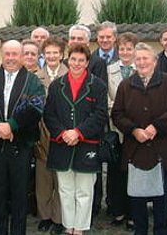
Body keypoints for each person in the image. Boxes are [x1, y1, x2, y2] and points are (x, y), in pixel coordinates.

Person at [111, 42, 167, 235]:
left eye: (145, 58)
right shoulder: (126, 85)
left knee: (162, 197)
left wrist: (156, 127)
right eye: (138, 59)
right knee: (137, 199)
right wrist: (134, 130)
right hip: (136, 150)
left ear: (155, 61)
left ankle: (161, 231)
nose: (142, 62)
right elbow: (117, 114)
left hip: (163, 150)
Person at [0, 40, 45, 235]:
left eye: (15, 54)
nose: (11, 58)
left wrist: (12, 125)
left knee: (19, 197)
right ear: (2, 55)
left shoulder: (33, 82)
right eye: (7, 54)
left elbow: (36, 108)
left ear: (23, 56)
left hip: (20, 147)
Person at [44, 43, 108, 235]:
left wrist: (78, 133)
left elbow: (100, 115)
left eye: (81, 60)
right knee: (65, 190)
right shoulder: (56, 85)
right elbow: (49, 114)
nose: (77, 63)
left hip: (86, 144)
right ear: (68, 60)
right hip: (62, 144)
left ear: (87, 62)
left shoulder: (97, 85)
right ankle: (68, 226)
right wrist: (64, 133)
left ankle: (79, 229)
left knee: (84, 191)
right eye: (73, 59)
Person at [34, 37, 68, 235]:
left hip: (62, 131)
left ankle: (59, 218)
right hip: (41, 130)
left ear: (62, 55)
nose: (52, 56)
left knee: (60, 177)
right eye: (48, 53)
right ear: (43, 55)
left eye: (56, 52)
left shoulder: (69, 74)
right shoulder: (36, 76)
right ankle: (45, 215)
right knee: (43, 176)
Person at [105, 32, 138, 230]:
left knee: (133, 173)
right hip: (115, 127)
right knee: (116, 172)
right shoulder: (109, 70)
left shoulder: (141, 69)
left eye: (129, 48)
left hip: (135, 130)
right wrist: (119, 106)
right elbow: (105, 96)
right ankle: (118, 210)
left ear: (135, 50)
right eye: (122, 48)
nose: (125, 52)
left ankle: (134, 213)